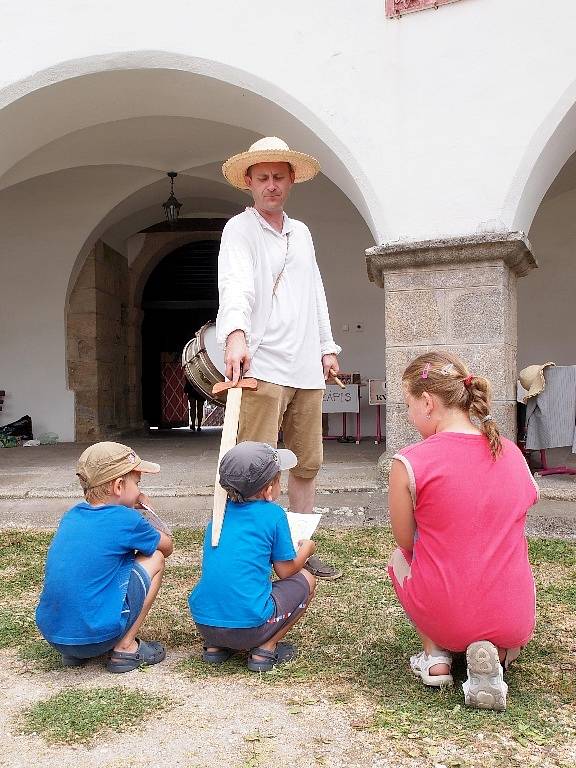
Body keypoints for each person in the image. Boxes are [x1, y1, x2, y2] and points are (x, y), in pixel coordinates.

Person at [217, 136, 342, 579]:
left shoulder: (302, 232)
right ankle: (252, 552)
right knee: (255, 466)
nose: (271, 185)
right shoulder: (240, 228)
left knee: (307, 463)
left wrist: (327, 347)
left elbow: (315, 293)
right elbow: (236, 284)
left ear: (290, 181)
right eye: (263, 178)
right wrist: (235, 334)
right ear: (249, 182)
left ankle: (299, 546)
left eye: (278, 178)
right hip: (264, 366)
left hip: (306, 368)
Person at [387, 351, 538, 711]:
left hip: (446, 613)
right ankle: (496, 654)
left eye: (408, 405)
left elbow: (405, 542)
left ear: (427, 403)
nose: (409, 416)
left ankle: (435, 655)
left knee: (400, 558)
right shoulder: (513, 455)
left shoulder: (410, 462)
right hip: (512, 618)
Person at [36, 441, 174, 673]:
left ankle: (76, 651)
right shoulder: (126, 520)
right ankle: (125, 648)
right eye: (137, 483)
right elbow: (167, 545)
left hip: (57, 638)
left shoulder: (71, 516)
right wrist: (147, 512)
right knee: (156, 557)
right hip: (97, 637)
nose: (140, 490)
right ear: (119, 486)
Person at [189, 441, 317, 672]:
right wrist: (306, 549)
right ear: (269, 489)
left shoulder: (219, 513)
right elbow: (286, 571)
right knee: (306, 580)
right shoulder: (273, 515)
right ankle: (265, 649)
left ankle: (216, 648)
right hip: (250, 626)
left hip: (205, 623)